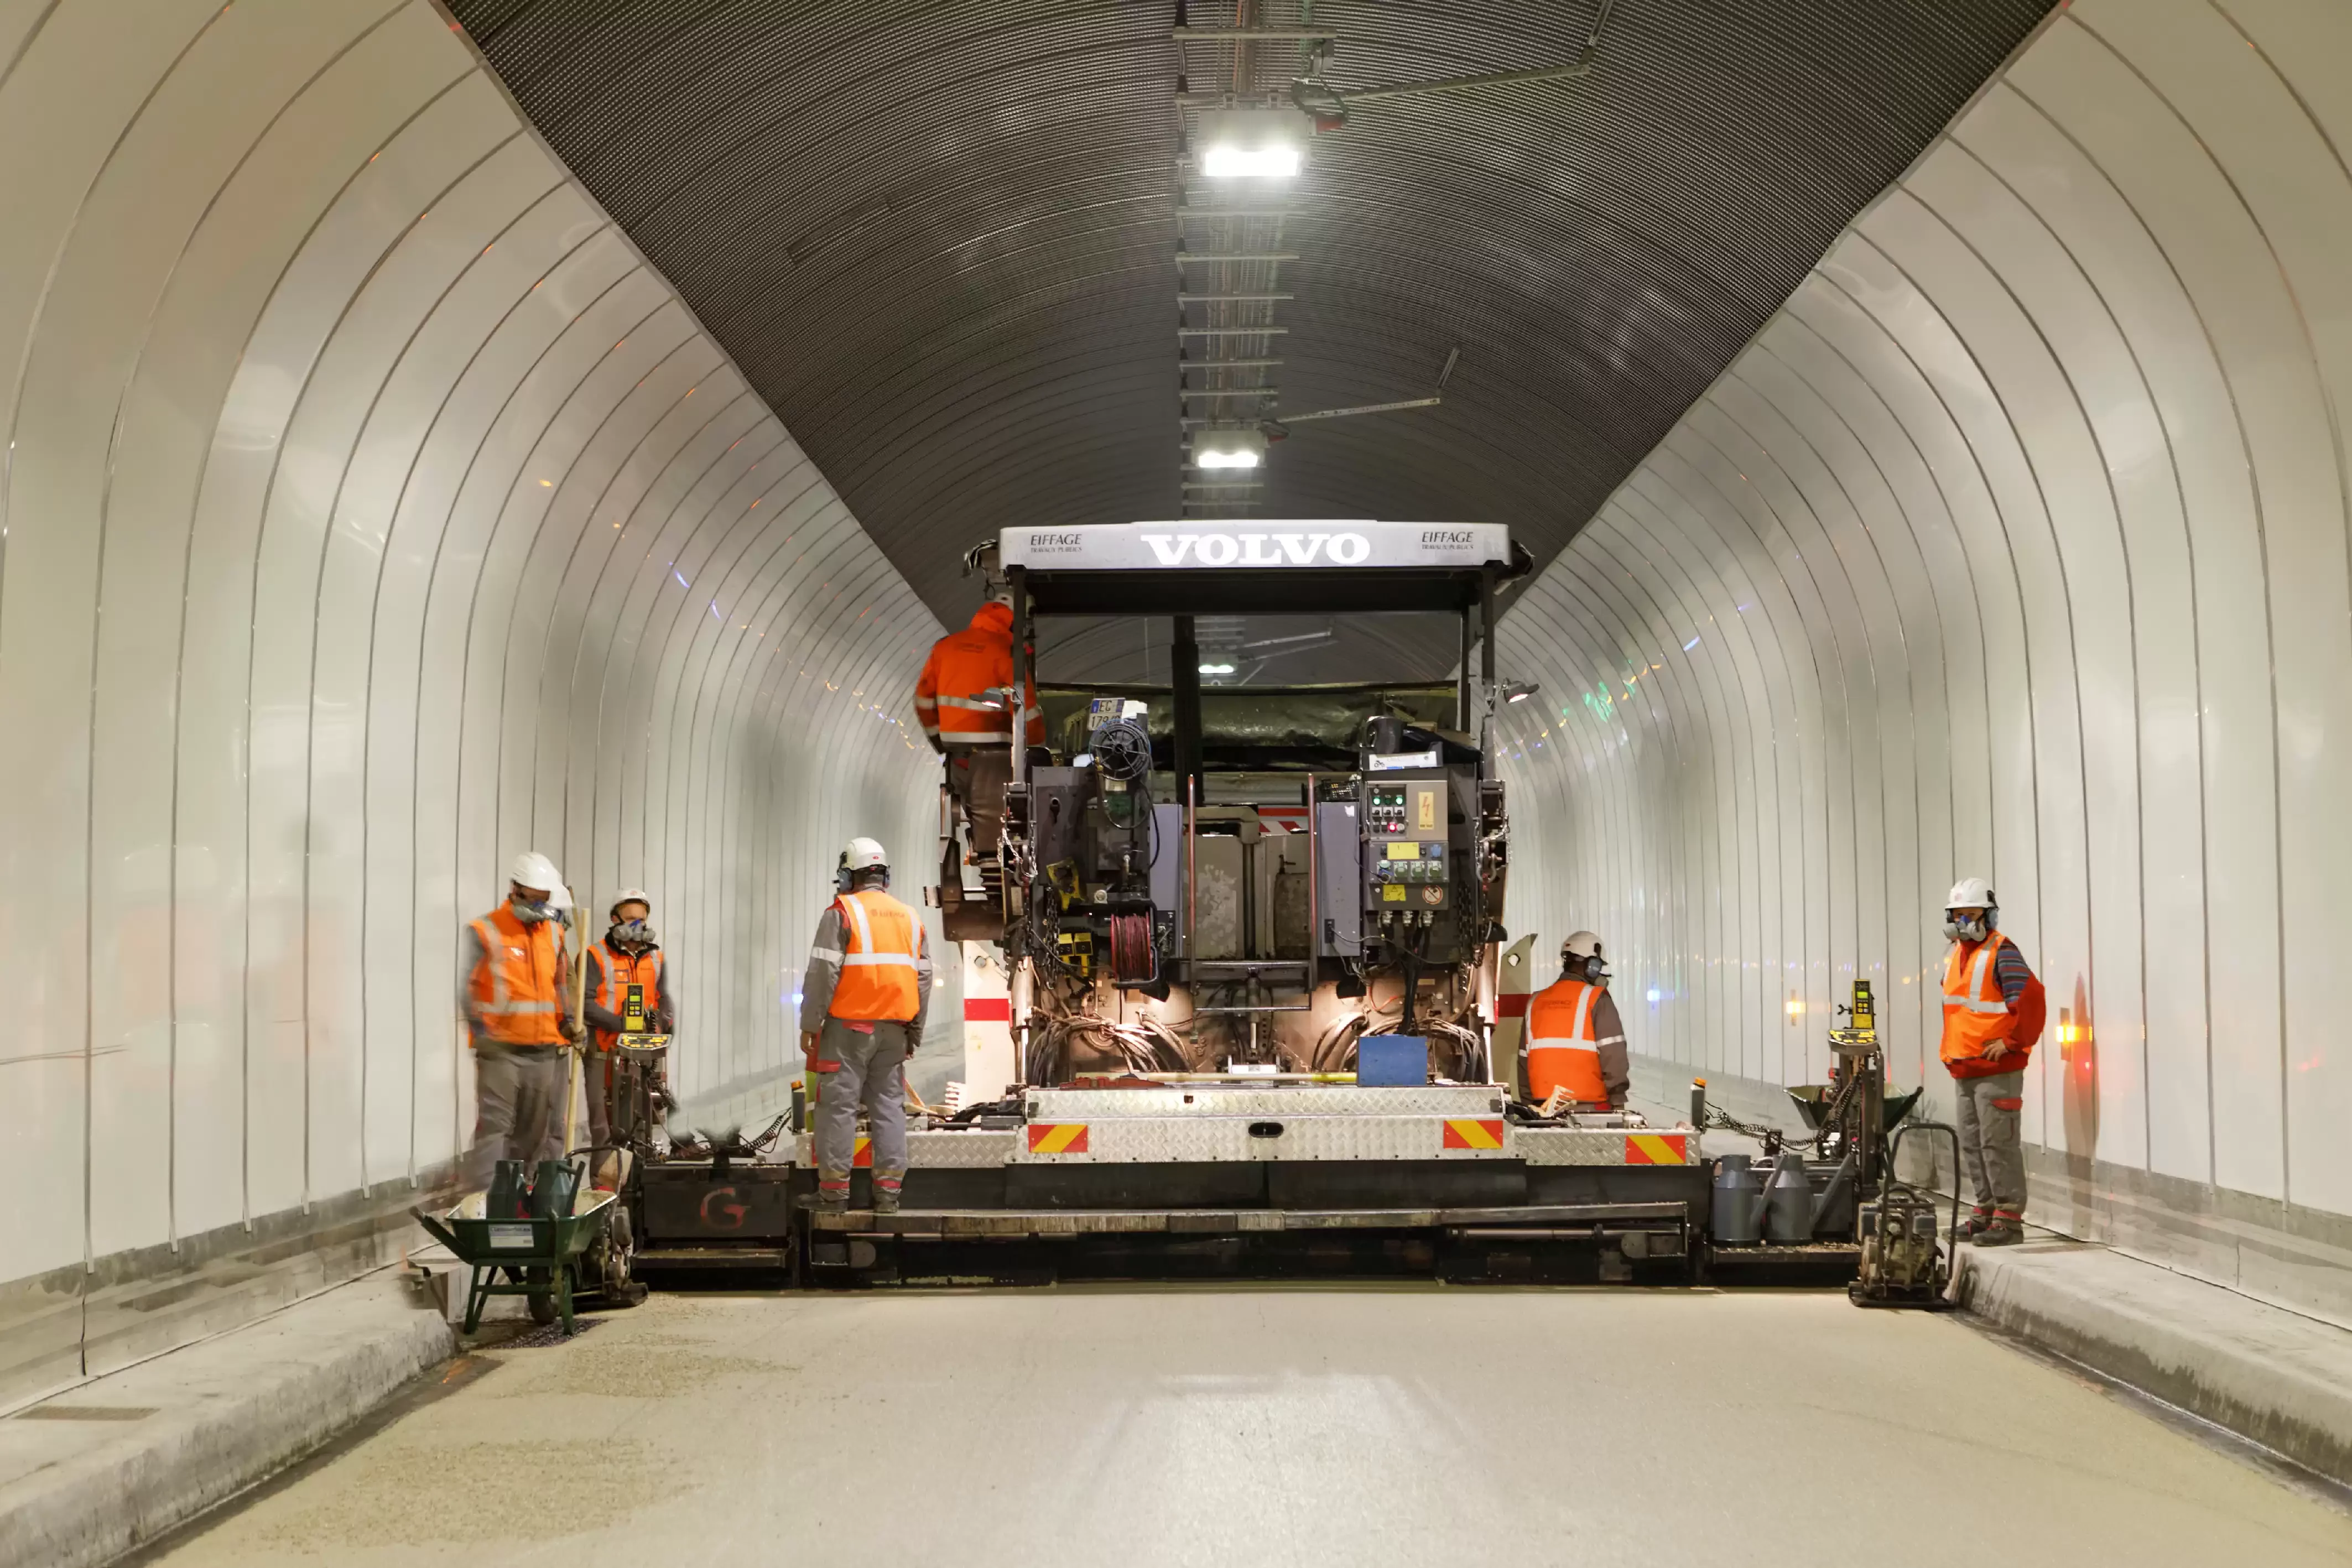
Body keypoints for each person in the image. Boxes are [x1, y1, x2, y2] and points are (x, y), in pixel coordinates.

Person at [798, 837, 932, 1215]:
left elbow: (823, 972)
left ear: (849, 875)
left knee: (837, 1107)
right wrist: (915, 1031)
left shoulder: (842, 912)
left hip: (848, 1030)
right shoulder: (910, 917)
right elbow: (923, 978)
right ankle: (888, 1195)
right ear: (884, 876)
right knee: (890, 1107)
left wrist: (810, 1022)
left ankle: (833, 1195)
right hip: (895, 1029)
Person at [461, 851, 580, 1194]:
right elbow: (465, 987)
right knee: (497, 1126)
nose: (541, 906)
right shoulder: (484, 931)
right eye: (535, 898)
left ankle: (523, 1197)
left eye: (546, 899)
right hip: (501, 1051)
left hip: (544, 1049)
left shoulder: (554, 934)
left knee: (536, 1131)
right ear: (515, 889)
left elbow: (560, 984)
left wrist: (570, 1021)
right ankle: (484, 1202)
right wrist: (482, 1032)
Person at [1939, 877, 2044, 1247]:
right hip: (1965, 1067)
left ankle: (2008, 1219)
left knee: (1998, 1143)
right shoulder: (1955, 955)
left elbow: (2031, 1002)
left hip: (1997, 1070)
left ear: (1988, 915)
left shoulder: (2003, 952)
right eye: (1958, 914)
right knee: (1972, 1142)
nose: (1964, 921)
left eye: (1971, 914)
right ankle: (1984, 1211)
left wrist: (2013, 1042)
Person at [915, 593, 1044, 861]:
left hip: (957, 758)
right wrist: (1036, 747)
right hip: (996, 758)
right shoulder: (1008, 652)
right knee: (1000, 843)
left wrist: (940, 741)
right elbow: (1027, 710)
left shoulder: (944, 648)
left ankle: (980, 855)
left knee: (975, 823)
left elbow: (923, 701)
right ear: (1013, 623)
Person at [582, 888, 678, 1180]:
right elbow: (583, 1004)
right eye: (630, 919)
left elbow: (664, 997)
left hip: (639, 1053)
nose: (637, 926)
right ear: (615, 919)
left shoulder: (656, 957)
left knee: (638, 1120)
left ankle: (639, 1180)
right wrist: (621, 1025)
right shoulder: (595, 955)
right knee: (603, 1124)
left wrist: (661, 1021)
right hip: (603, 1052)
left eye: (642, 919)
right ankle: (604, 1187)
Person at [1523, 931, 1628, 1112]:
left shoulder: (1535, 1001)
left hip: (1544, 1107)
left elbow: (1523, 1059)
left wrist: (1528, 1104)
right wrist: (1618, 1100)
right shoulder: (1597, 999)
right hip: (1589, 1108)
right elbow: (1614, 1055)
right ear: (1592, 966)